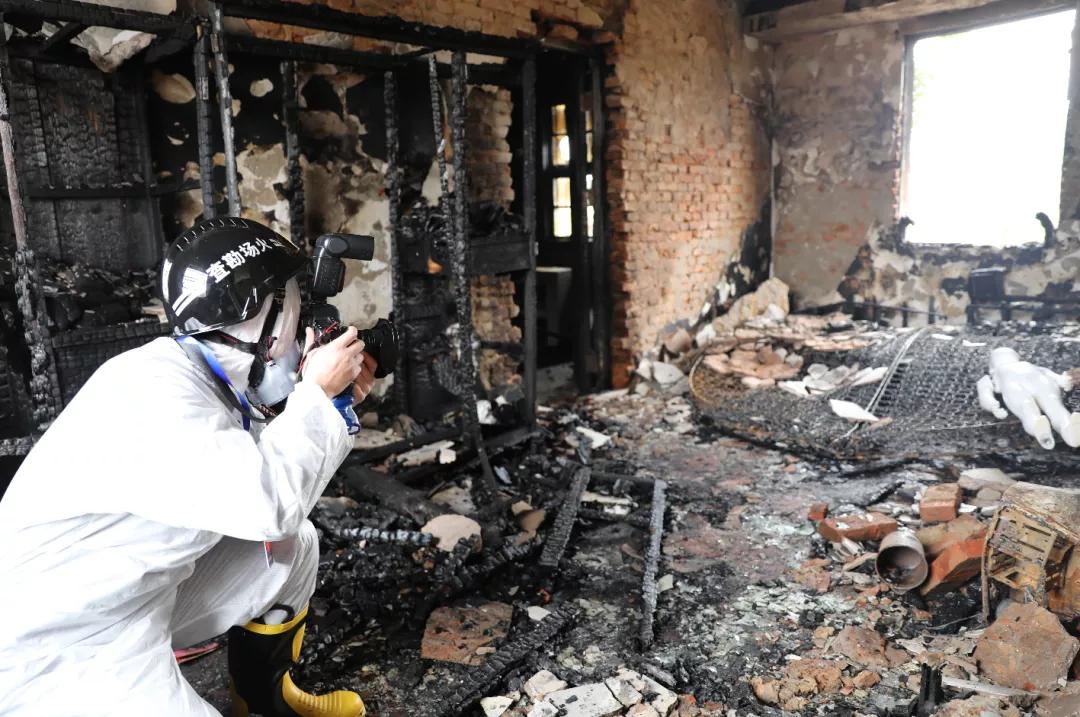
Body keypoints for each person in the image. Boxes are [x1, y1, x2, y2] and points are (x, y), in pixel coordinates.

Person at [0, 217, 374, 717]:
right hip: (61, 641)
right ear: (262, 318)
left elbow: (266, 466)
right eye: (293, 306)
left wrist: (331, 406)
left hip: (137, 597)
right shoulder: (152, 396)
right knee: (281, 527)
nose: (303, 324)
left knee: (293, 546)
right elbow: (269, 504)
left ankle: (263, 701)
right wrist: (317, 396)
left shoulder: (200, 372)